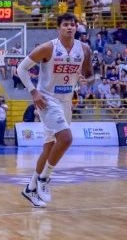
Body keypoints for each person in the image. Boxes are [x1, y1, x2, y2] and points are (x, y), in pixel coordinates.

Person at [17, 13, 93, 208]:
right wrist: (34, 92)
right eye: (66, 25)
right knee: (66, 139)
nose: (70, 27)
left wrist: (84, 79)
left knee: (49, 146)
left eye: (73, 25)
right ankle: (44, 179)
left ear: (76, 28)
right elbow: (21, 69)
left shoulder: (84, 49)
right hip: (47, 99)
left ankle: (30, 188)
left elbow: (88, 74)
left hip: (67, 101)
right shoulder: (48, 48)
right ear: (58, 28)